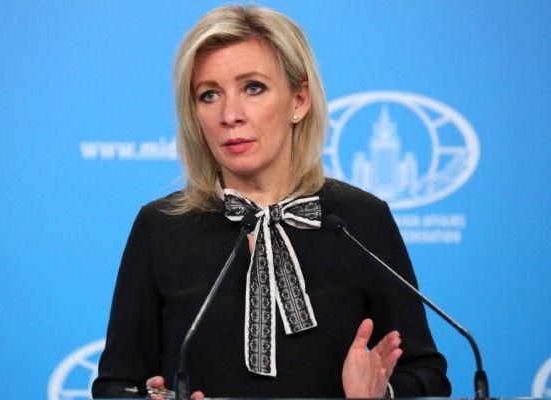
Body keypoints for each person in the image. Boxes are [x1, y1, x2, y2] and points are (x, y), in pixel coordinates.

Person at [92, 4, 451, 399]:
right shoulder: (160, 226)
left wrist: (380, 394)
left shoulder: (360, 220)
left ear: (299, 100)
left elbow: (428, 373)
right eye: (209, 95)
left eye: (253, 88)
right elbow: (114, 385)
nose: (230, 114)